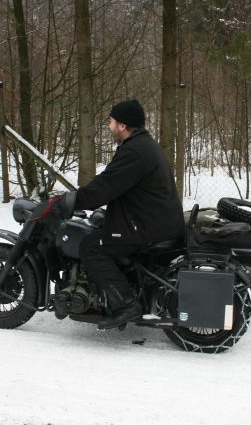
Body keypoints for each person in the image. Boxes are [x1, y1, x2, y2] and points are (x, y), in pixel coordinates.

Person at [55, 99, 185, 330]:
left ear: (122, 125)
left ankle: (125, 305)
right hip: (154, 221)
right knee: (100, 229)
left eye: (111, 121)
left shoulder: (135, 151)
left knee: (91, 247)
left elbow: (106, 186)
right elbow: (117, 185)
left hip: (147, 227)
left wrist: (73, 201)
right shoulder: (142, 145)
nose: (109, 125)